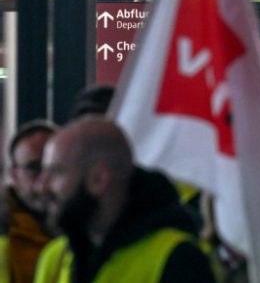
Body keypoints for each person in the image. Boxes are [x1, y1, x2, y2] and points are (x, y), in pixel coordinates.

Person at [33, 119, 215, 283]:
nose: (41, 187)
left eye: (56, 172)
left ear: (98, 179)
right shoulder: (55, 257)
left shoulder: (178, 259)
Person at [2, 121, 57, 283]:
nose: (45, 180)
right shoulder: (6, 234)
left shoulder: (92, 227)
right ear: (14, 175)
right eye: (34, 168)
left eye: (55, 167)